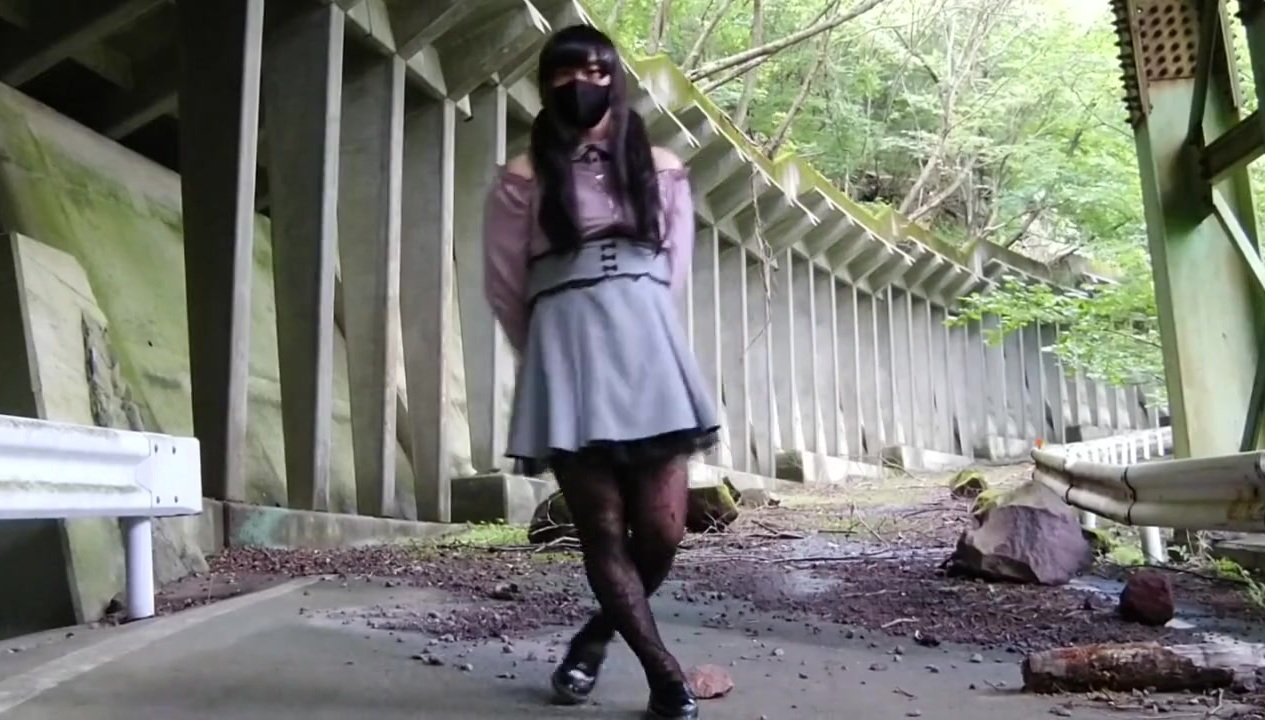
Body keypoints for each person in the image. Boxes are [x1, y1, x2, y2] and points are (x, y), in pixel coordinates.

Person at [481, 23, 720, 720]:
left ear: (614, 78)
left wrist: (643, 322)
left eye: (592, 70)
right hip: (566, 347)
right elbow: (504, 283)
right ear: (544, 87)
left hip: (647, 344)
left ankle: (594, 636)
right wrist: (546, 357)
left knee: (664, 529)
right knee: (603, 527)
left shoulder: (662, 166)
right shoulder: (523, 175)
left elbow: (674, 267)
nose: (578, 84)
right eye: (562, 74)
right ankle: (665, 678)